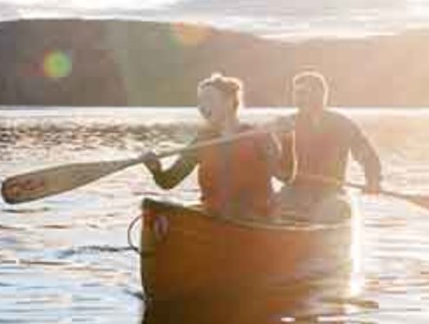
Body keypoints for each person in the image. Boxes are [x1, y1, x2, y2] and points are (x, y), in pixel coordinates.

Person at [141, 73, 285, 222]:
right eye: (200, 101)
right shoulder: (202, 140)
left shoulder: (259, 136)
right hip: (214, 219)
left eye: (208, 99)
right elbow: (168, 182)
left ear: (229, 102)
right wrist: (156, 169)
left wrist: (282, 139)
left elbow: (283, 173)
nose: (202, 106)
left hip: (256, 220)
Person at [273, 71, 383, 223]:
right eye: (296, 94)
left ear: (320, 95)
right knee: (271, 208)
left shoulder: (342, 124)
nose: (298, 99)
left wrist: (373, 180)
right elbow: (268, 159)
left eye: (303, 93)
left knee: (334, 211)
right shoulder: (287, 124)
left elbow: (366, 155)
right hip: (294, 191)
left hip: (331, 193)